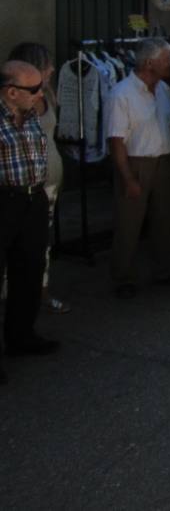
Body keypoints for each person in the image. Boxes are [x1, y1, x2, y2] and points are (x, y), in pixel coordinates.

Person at [105, 38, 170, 297]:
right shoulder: (121, 94)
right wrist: (127, 177)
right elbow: (116, 141)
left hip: (164, 159)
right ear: (149, 63)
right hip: (136, 162)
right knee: (129, 222)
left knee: (165, 218)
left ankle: (164, 270)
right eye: (166, 58)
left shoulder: (164, 90)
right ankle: (122, 276)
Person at [0, 59, 59, 380]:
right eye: (35, 89)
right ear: (11, 92)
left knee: (30, 270)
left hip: (32, 199)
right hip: (4, 200)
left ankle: (21, 337)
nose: (41, 94)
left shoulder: (32, 112)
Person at [6, 43, 68, 315]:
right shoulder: (12, 107)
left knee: (38, 245)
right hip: (14, 191)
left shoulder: (44, 99)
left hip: (45, 186)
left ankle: (37, 294)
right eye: (47, 64)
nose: (53, 69)